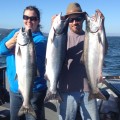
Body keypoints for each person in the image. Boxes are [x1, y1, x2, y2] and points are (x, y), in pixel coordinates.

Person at [52, 2, 108, 120]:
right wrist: (53, 27)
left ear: (83, 19)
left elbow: (104, 49)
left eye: (78, 19)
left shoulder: (91, 36)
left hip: (89, 89)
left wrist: (102, 26)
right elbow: (51, 54)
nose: (74, 22)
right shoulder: (61, 37)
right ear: (67, 21)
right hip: (66, 90)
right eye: (71, 20)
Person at [0, 6, 47, 120]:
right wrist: (12, 41)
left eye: (33, 18)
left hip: (35, 91)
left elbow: (38, 64)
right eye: (26, 17)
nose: (29, 21)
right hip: (15, 90)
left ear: (38, 20)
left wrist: (15, 47)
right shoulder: (15, 33)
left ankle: (27, 105)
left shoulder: (41, 40)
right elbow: (1, 50)